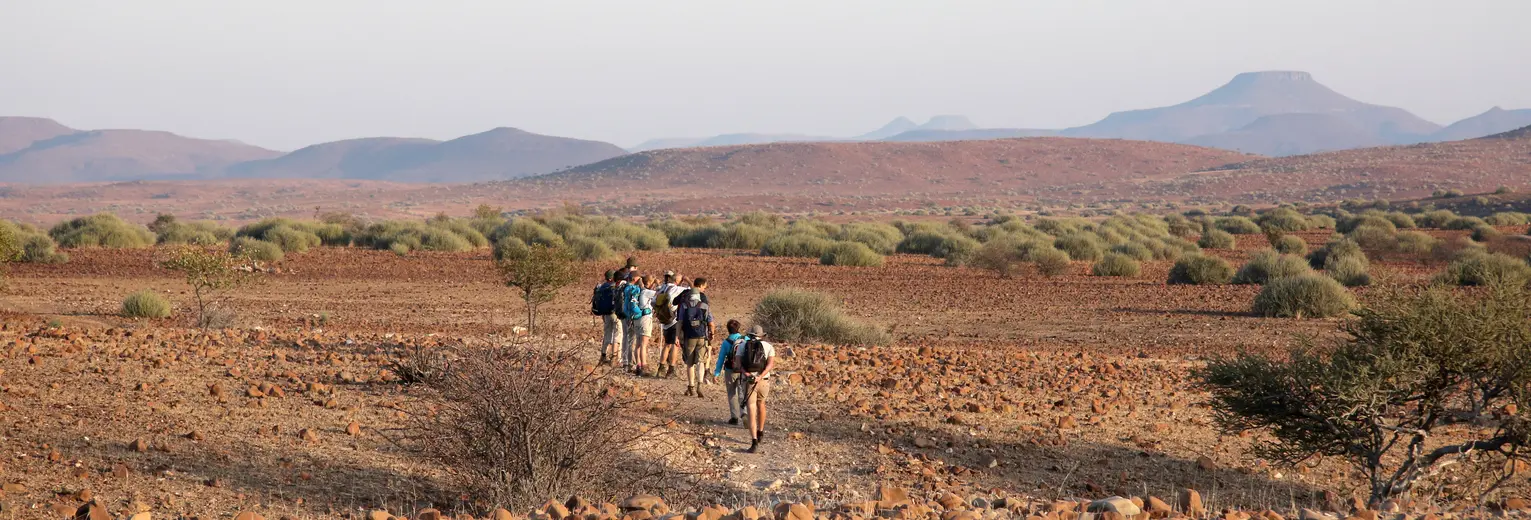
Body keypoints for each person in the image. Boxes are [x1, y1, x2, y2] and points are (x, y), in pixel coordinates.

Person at [732, 325, 776, 454]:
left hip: (749, 381)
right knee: (761, 404)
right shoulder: (768, 346)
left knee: (751, 409)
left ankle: (754, 441)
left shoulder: (742, 345)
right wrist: (760, 376)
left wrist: (747, 374)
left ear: (750, 334)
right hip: (763, 381)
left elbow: (738, 364)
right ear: (761, 335)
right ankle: (760, 431)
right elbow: (770, 365)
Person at [675, 279, 714, 397]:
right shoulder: (705, 306)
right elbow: (710, 323)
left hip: (689, 336)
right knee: (701, 362)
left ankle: (691, 386)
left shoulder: (684, 306)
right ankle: (699, 385)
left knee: (690, 363)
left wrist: (677, 336)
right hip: (702, 336)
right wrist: (711, 334)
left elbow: (680, 322)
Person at [653, 271, 687, 378]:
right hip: (674, 321)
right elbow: (693, 290)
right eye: (681, 280)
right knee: (674, 345)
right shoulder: (677, 289)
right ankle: (671, 369)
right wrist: (687, 280)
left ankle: (661, 368)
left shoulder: (662, 288)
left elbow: (653, 301)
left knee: (667, 345)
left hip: (664, 321)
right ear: (677, 281)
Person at [713, 319, 747, 425]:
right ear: (738, 328)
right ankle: (744, 413)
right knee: (742, 392)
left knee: (732, 393)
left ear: (728, 329)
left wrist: (716, 373)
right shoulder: (746, 339)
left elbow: (721, 358)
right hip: (743, 370)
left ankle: (734, 417)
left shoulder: (726, 342)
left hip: (730, 370)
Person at [618, 273, 651, 374]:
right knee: (640, 344)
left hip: (629, 317)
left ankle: (634, 365)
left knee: (634, 342)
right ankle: (640, 366)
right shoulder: (636, 289)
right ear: (634, 278)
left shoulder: (625, 288)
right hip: (638, 317)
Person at [590, 270, 622, 365]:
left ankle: (603, 356)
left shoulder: (602, 287)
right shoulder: (614, 287)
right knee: (617, 334)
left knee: (607, 334)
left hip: (605, 314)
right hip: (615, 314)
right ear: (612, 278)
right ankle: (614, 358)